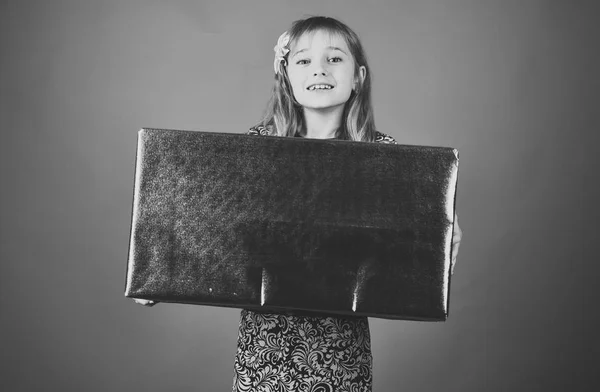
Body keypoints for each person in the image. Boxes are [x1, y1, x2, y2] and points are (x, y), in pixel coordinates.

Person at [135, 16, 463, 392]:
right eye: (304, 60)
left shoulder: (382, 156)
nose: (319, 69)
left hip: (340, 357)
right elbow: (216, 226)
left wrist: (440, 229)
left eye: (334, 59)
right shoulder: (258, 146)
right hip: (263, 352)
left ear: (358, 76)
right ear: (286, 75)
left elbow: (407, 246)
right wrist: (159, 273)